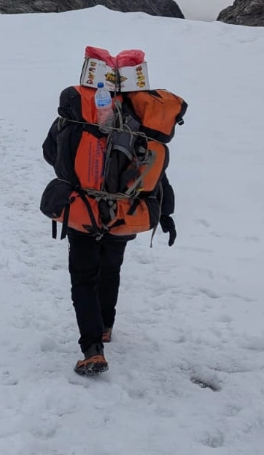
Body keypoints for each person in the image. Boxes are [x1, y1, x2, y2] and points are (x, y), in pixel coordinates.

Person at [41, 50, 182, 376]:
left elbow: (50, 153)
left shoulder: (74, 115)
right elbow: (157, 172)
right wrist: (166, 212)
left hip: (82, 211)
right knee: (111, 269)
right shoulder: (144, 124)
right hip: (125, 212)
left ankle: (93, 348)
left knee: (84, 278)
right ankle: (105, 325)